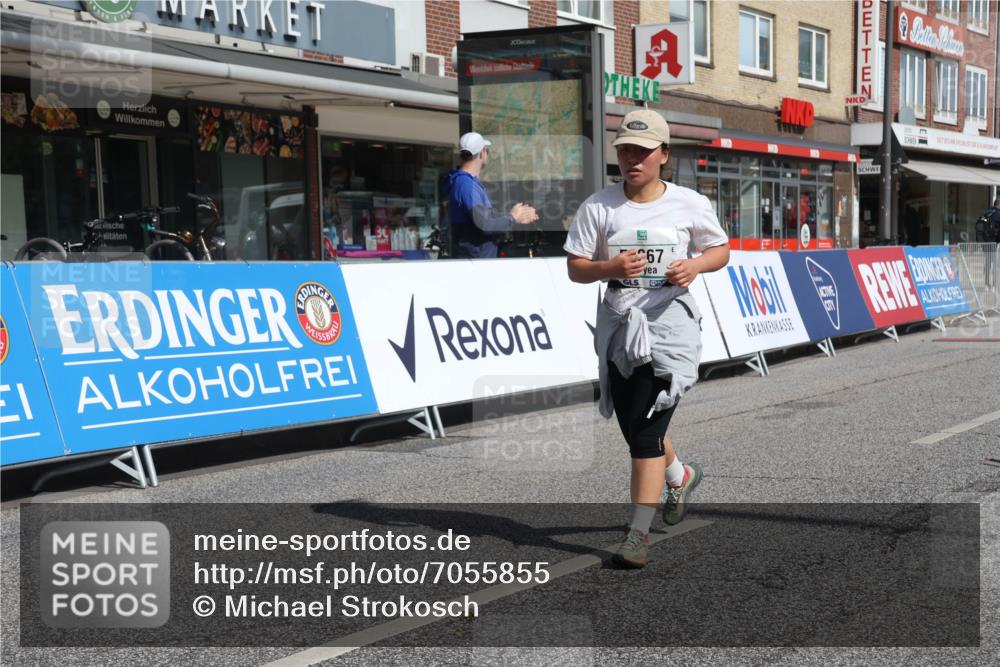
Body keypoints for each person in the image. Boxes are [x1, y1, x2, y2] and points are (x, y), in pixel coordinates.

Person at [564, 110, 730, 568]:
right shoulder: (599, 206)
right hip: (620, 322)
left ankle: (637, 533)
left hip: (670, 324)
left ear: (664, 155)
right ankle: (680, 475)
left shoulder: (689, 203)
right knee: (636, 424)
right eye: (625, 151)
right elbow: (576, 267)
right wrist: (610, 269)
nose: (632, 159)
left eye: (643, 151)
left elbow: (720, 250)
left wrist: (694, 266)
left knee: (645, 432)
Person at [444, 132, 538, 258]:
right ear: (482, 153)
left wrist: (514, 217)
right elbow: (484, 224)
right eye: (486, 150)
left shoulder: (467, 183)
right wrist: (513, 217)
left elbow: (486, 218)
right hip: (474, 263)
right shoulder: (466, 184)